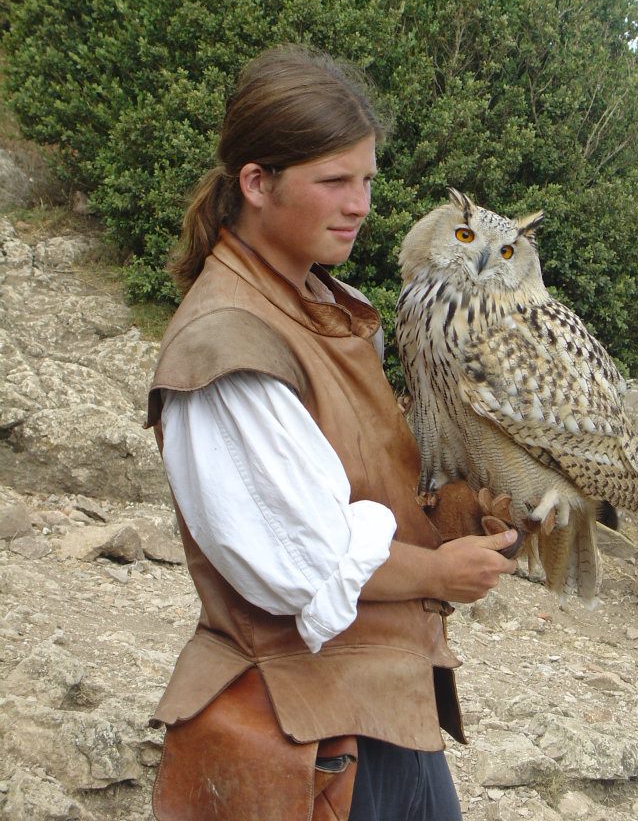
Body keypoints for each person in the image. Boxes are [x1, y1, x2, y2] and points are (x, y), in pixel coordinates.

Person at [146, 44, 518, 821]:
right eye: (334, 182)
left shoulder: (322, 304)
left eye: (368, 181)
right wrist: (438, 573)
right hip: (306, 732)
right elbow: (300, 564)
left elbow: (349, 486)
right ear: (257, 183)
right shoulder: (226, 348)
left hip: (383, 701)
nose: (360, 205)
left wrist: (437, 515)